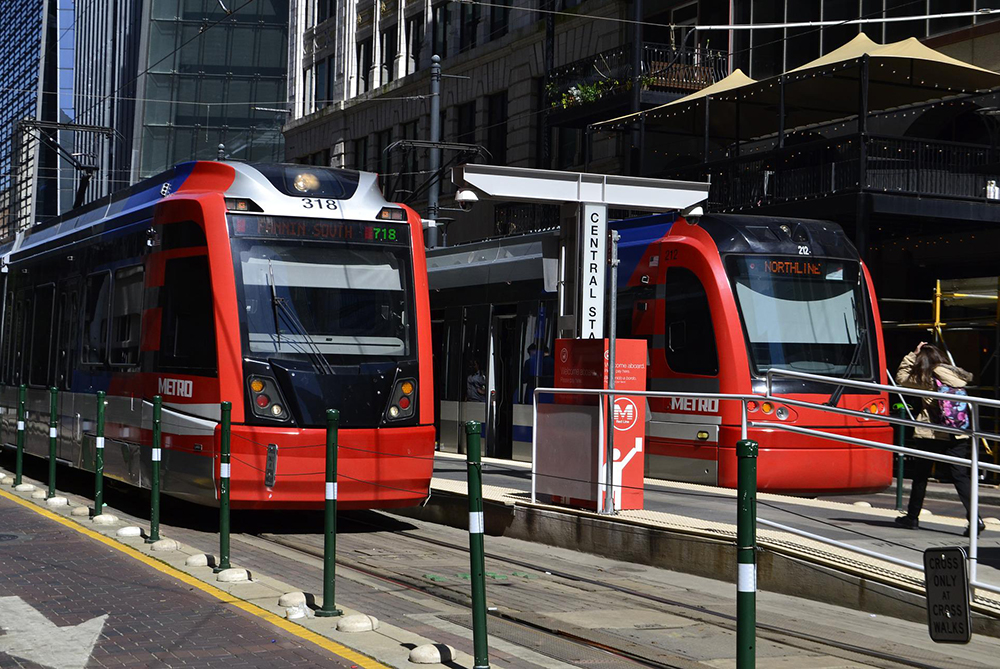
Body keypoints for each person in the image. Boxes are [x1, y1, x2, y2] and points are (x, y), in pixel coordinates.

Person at [894, 342, 984, 536]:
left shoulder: (927, 378)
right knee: (960, 476)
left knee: (921, 475)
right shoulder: (956, 376)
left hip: (932, 432)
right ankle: (975, 518)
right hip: (958, 432)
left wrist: (912, 354)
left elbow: (901, 378)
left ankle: (912, 518)